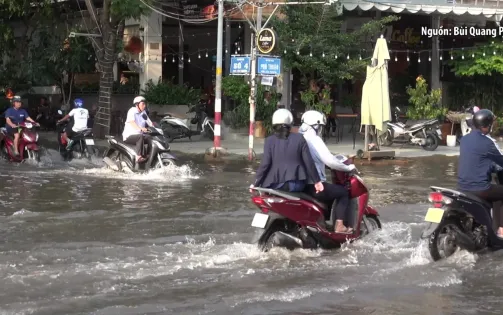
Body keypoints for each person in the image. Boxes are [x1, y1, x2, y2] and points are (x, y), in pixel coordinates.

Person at [299, 110, 356, 233]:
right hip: (314, 185)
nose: (320, 129)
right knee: (342, 192)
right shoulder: (314, 139)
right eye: (320, 126)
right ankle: (339, 226)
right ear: (316, 125)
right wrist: (348, 168)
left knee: (331, 192)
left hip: (301, 184)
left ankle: (323, 224)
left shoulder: (299, 137)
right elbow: (330, 161)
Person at [250, 108, 324, 195]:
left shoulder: (269, 140)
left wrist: (255, 183)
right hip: (296, 185)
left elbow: (265, 164)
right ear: (290, 123)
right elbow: (309, 162)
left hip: (274, 184)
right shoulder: (300, 138)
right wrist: (317, 181)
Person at [458, 109, 503, 237]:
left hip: (462, 187)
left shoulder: (464, 140)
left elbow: (477, 159)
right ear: (487, 126)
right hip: (479, 188)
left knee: (497, 194)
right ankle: (501, 231)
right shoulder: (487, 143)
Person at [122, 96, 154, 163]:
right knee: (140, 137)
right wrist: (141, 129)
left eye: (145, 104)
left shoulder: (143, 113)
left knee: (150, 137)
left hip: (140, 135)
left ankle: (148, 155)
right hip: (129, 136)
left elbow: (149, 122)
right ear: (137, 104)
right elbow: (132, 122)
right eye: (143, 104)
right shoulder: (132, 111)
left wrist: (155, 126)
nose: (144, 106)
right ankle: (138, 156)